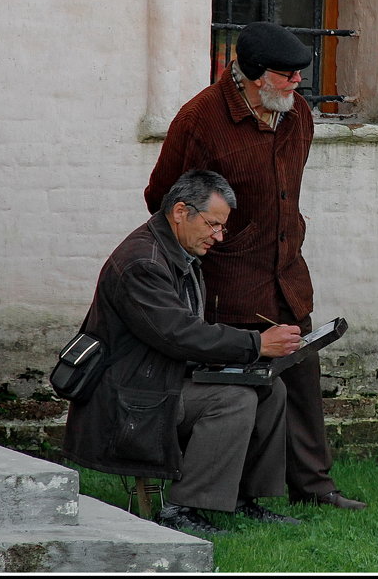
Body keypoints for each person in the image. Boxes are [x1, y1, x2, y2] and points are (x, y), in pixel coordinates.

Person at [143, 21, 366, 511]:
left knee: (300, 383)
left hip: (286, 274)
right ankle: (233, 493)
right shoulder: (200, 119)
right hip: (226, 283)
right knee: (238, 388)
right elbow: (161, 199)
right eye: (286, 76)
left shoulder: (296, 113)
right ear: (251, 75)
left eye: (297, 75)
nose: (297, 84)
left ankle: (315, 487)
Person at [62, 169, 306, 536]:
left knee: (270, 387)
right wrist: (256, 344)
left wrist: (254, 354)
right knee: (233, 400)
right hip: (128, 398)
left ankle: (243, 498)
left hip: (157, 380)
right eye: (213, 225)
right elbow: (177, 334)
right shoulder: (143, 262)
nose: (218, 236)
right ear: (180, 211)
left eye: (221, 228)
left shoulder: (175, 252)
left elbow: (183, 335)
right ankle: (181, 508)